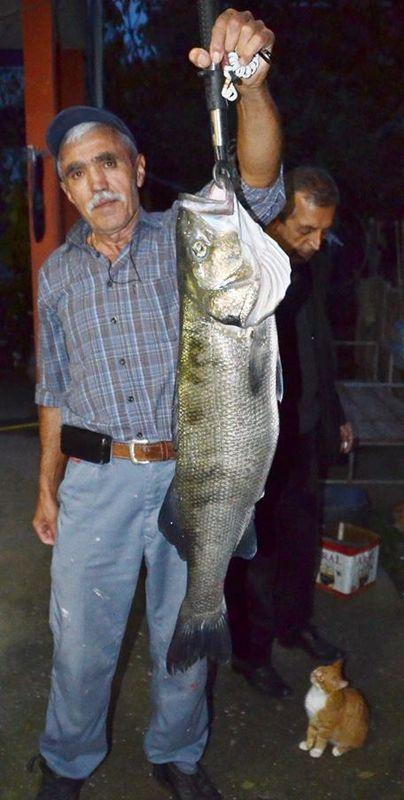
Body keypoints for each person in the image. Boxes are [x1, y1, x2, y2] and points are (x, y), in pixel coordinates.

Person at [30, 10, 287, 800]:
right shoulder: (56, 276)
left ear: (137, 169)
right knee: (81, 643)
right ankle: (68, 760)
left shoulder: (193, 235)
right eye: (77, 172)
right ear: (65, 188)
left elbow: (261, 184)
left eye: (107, 162)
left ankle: (177, 752)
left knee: (189, 622)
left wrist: (251, 85)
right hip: (96, 481)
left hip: (193, 474)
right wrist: (47, 484)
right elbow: (54, 387)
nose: (96, 182)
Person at [225, 166, 353, 699]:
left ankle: (294, 623)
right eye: (306, 229)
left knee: (301, 539)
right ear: (274, 218)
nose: (317, 243)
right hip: (258, 435)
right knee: (256, 552)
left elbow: (319, 338)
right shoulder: (248, 266)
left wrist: (336, 412)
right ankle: (249, 653)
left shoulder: (311, 261)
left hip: (307, 426)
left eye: (324, 231)